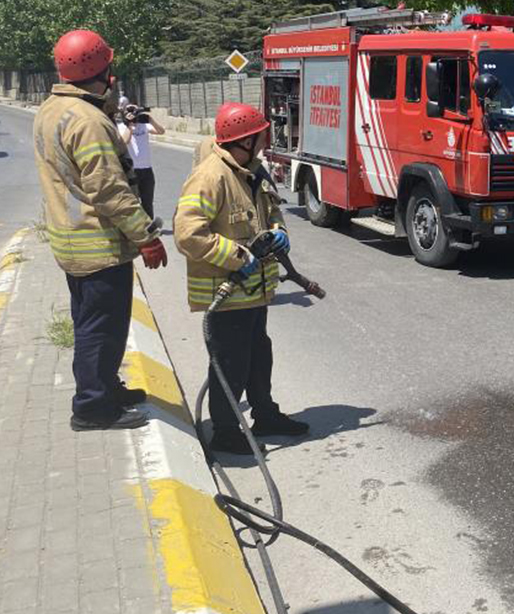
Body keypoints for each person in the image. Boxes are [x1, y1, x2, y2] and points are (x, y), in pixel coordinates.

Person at [33, 29, 169, 431]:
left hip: (71, 241)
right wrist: (146, 236)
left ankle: (105, 387)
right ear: (103, 69)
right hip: (97, 246)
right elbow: (108, 189)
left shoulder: (52, 109)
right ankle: (93, 407)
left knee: (93, 323)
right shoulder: (88, 121)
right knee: (101, 330)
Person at [174, 102, 308, 454]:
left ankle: (265, 415)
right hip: (227, 293)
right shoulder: (211, 177)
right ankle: (227, 434)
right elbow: (188, 233)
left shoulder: (253, 170)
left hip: (254, 292)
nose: (266, 140)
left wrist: (279, 231)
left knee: (258, 355)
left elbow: (270, 211)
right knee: (230, 366)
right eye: (261, 135)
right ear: (245, 140)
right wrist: (238, 258)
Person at [115, 96, 165, 218]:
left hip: (147, 170)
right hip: (132, 170)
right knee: (134, 203)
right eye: (129, 111)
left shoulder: (144, 125)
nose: (133, 114)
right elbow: (124, 142)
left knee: (148, 203)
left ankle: (150, 231)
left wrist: (149, 119)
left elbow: (161, 131)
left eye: (134, 111)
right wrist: (130, 127)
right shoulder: (122, 127)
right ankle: (136, 231)